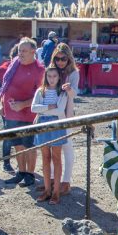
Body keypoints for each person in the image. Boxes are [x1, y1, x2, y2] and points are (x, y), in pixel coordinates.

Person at [0, 38, 44, 188]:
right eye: (19, 50)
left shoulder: (39, 70)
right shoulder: (14, 64)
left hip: (29, 113)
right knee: (17, 144)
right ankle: (21, 171)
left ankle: (30, 174)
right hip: (11, 113)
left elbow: (41, 94)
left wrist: (23, 105)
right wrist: (2, 104)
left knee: (29, 145)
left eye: (24, 51)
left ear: (33, 52)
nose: (21, 53)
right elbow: (5, 86)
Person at [31, 65, 73, 203]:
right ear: (45, 77)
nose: (52, 79)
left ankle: (56, 192)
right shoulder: (40, 91)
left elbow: (60, 110)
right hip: (42, 126)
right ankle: (47, 189)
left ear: (59, 77)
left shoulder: (62, 92)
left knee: (56, 157)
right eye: (49, 76)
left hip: (56, 126)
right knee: (45, 157)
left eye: (54, 76)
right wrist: (48, 107)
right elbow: (33, 108)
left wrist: (42, 110)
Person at [50, 43, 80, 195]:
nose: (60, 62)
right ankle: (52, 180)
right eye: (57, 58)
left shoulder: (73, 73)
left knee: (67, 146)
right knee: (52, 147)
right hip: (51, 113)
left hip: (66, 112)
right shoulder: (51, 71)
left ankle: (66, 181)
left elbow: (75, 95)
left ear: (69, 59)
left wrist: (69, 89)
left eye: (63, 59)